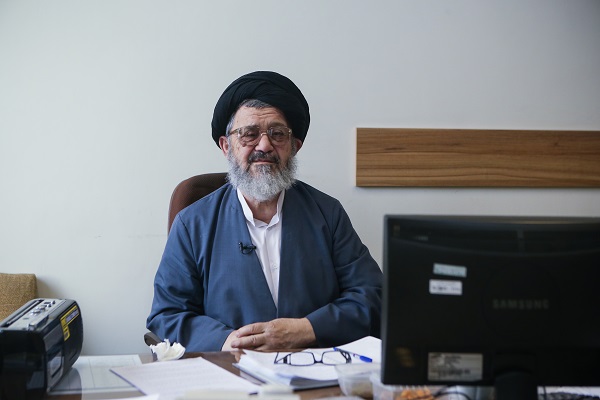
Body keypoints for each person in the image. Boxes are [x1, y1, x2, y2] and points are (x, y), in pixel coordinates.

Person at [146, 71, 382, 352]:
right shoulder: (192, 224)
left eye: (277, 134)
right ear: (226, 146)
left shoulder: (327, 214)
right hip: (229, 371)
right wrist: (226, 341)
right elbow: (167, 314)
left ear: (294, 147)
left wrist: (308, 329)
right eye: (249, 134)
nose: (265, 145)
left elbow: (372, 296)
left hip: (312, 368)